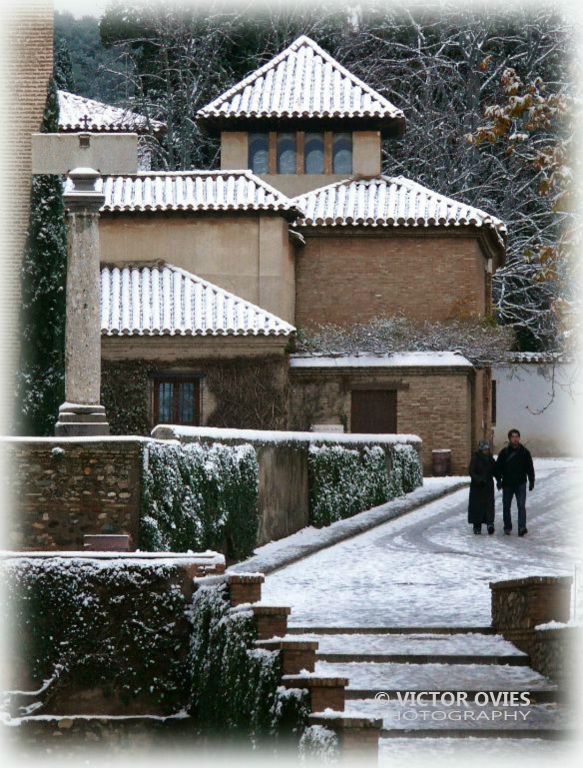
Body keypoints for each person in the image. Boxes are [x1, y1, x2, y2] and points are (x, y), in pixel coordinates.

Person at [495, 428, 535, 536]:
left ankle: (522, 527)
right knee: (506, 506)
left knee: (521, 506)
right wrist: (498, 480)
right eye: (513, 437)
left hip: (520, 483)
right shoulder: (504, 453)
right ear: (509, 439)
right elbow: (498, 468)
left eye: (517, 436)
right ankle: (507, 526)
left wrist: (532, 481)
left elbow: (530, 468)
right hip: (507, 484)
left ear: (519, 438)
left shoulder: (525, 453)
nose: (515, 439)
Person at [468, 440, 499, 535]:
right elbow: (471, 471)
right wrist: (479, 479)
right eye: (484, 449)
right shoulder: (475, 459)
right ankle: (477, 525)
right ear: (481, 450)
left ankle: (490, 524)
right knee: (477, 506)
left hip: (488, 486)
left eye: (487, 449)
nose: (486, 451)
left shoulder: (490, 459)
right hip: (477, 487)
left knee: (489, 505)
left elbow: (495, 471)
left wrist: (499, 480)